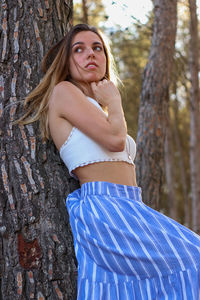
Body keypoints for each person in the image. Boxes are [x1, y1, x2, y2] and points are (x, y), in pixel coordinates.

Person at [18, 24, 200, 299]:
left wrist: (108, 105)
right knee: (192, 257)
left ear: (105, 58)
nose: (90, 54)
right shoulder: (65, 92)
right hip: (105, 206)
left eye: (97, 48)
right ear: (67, 62)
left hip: (131, 206)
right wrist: (114, 100)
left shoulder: (97, 109)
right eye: (78, 49)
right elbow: (116, 140)